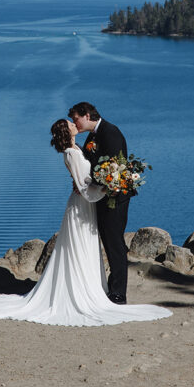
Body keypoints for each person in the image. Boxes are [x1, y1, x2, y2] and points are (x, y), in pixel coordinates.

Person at [0, 118, 170, 326]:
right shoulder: (72, 153)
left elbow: (86, 178)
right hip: (82, 205)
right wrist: (107, 188)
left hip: (86, 205)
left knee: (85, 247)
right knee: (78, 247)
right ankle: (80, 290)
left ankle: (90, 287)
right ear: (67, 132)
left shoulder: (77, 148)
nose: (74, 124)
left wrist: (105, 182)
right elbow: (84, 188)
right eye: (70, 123)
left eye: (73, 120)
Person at [68, 101, 130, 305]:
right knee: (107, 241)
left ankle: (119, 293)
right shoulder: (92, 136)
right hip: (101, 196)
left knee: (115, 243)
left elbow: (115, 166)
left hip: (114, 197)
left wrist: (88, 182)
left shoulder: (110, 132)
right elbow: (90, 163)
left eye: (76, 118)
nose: (74, 122)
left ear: (86, 115)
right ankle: (111, 288)